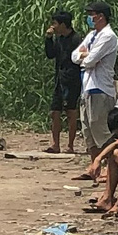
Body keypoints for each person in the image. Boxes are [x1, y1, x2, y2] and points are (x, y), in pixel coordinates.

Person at [73, 1, 118, 159]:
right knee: (88, 130)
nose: (89, 18)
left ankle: (109, 165)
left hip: (100, 87)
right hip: (86, 86)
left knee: (100, 128)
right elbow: (75, 56)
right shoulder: (92, 35)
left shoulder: (108, 36)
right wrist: (84, 56)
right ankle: (94, 167)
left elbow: (90, 60)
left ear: (101, 17)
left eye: (91, 15)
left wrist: (86, 56)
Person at [44, 10, 82, 154]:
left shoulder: (76, 40)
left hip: (72, 80)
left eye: (55, 23)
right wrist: (48, 39)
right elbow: (50, 54)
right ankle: (55, 144)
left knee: (70, 111)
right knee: (55, 111)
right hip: (59, 79)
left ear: (63, 24)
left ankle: (70, 145)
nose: (53, 26)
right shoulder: (59, 39)